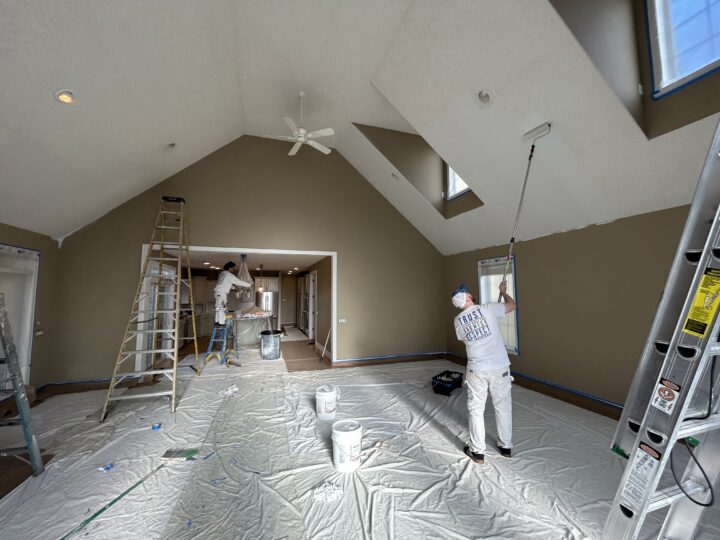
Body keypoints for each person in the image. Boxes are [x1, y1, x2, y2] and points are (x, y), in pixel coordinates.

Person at [452, 281, 516, 464]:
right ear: (469, 298)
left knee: (476, 410)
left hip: (476, 369)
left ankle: (478, 452)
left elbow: (464, 338)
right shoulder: (488, 309)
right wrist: (503, 292)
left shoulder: (457, 321)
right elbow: (512, 306)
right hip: (499, 366)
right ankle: (506, 447)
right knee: (503, 406)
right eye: (469, 293)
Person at [214, 261, 251, 326]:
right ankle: (222, 323)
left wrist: (235, 289)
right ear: (230, 268)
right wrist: (249, 285)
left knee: (218, 307)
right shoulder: (229, 275)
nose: (233, 269)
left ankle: (217, 321)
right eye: (233, 268)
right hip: (222, 293)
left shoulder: (222, 274)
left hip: (217, 292)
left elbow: (226, 284)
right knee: (222, 308)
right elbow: (238, 282)